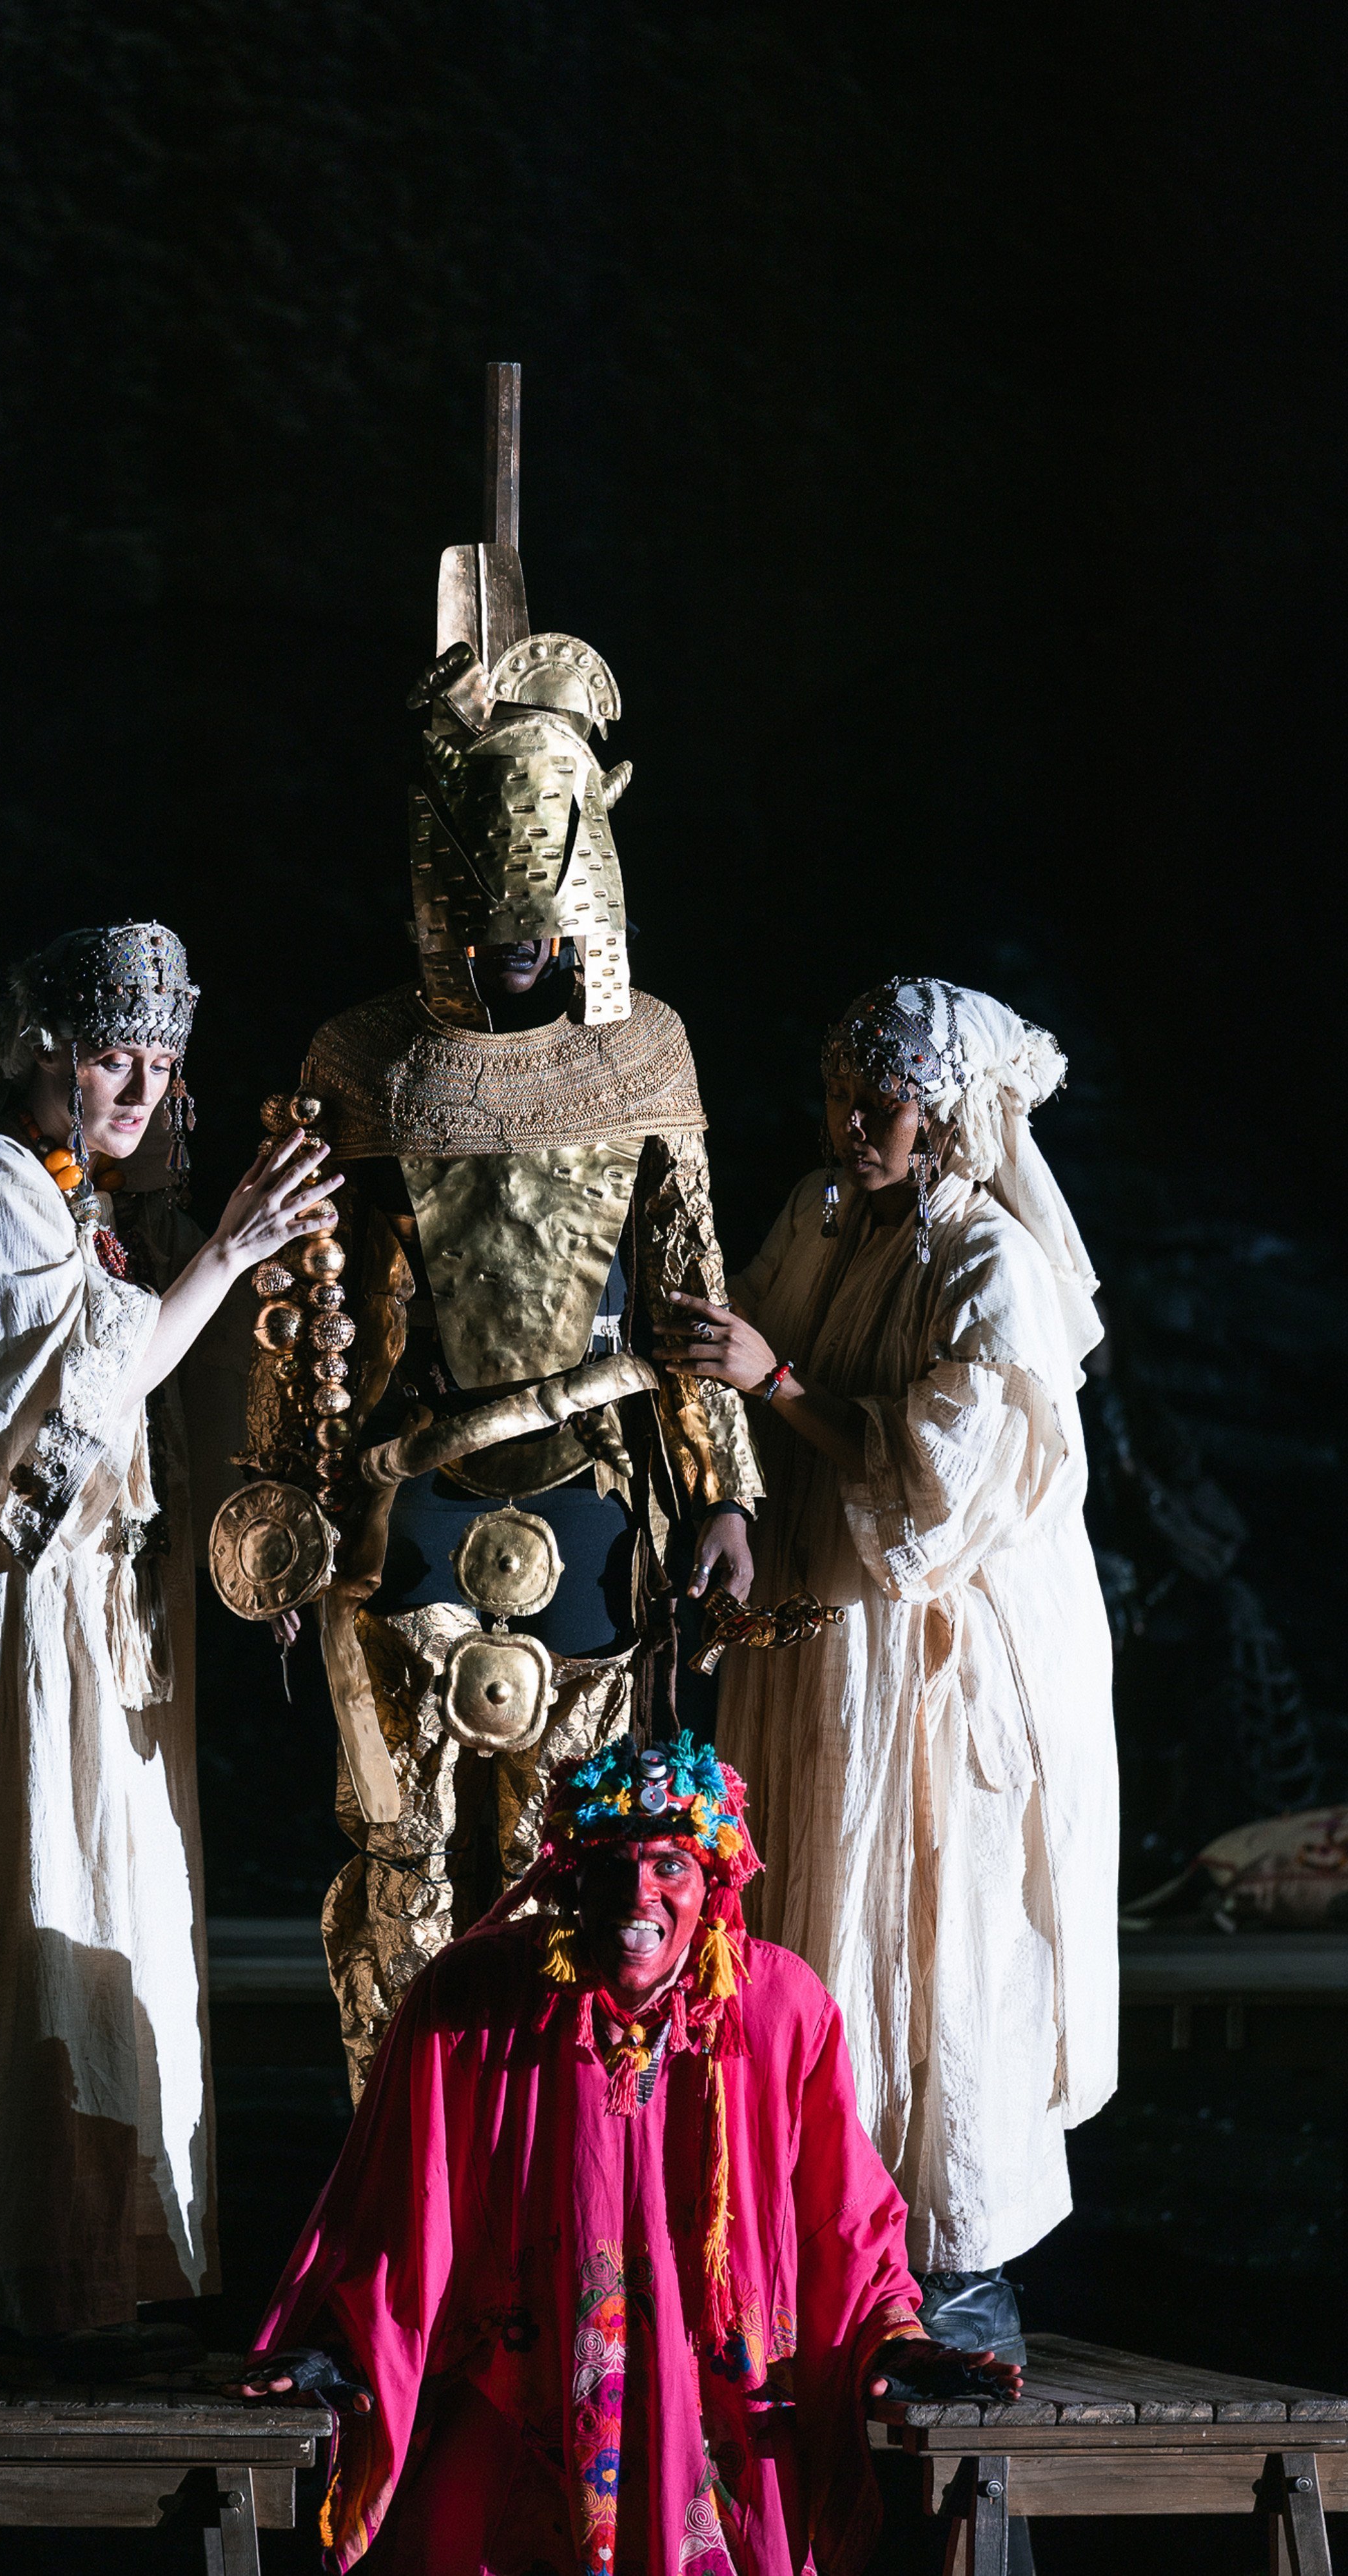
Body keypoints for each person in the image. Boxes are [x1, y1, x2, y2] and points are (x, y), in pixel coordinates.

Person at [233, 532, 761, 2093]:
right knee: (404, 1859)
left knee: (595, 1868)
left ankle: (572, 2189)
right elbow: (309, 1295)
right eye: (484, 929)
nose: (509, 953)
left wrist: (725, 1483)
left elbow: (688, 1286)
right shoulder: (369, 1060)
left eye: (532, 927)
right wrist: (284, 1491)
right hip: (411, 1503)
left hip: (598, 1502)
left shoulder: (646, 1058)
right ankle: (398, 2195)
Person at [0, 921, 338, 2337]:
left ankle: (101, 2277)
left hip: (112, 1633)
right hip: (22, 1631)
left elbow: (171, 1394)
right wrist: (220, 1258)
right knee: (36, 1910)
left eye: (161, 1063)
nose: (138, 1091)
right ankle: (42, 2282)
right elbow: (39, 1435)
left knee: (117, 1913)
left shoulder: (103, 1209)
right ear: (46, 1055)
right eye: (112, 1059)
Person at [237, 1732, 1021, 2574]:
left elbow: (845, 2212)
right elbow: (394, 2200)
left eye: (666, 1867)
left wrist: (892, 2337)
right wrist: (345, 2342)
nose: (635, 1893)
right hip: (518, 2403)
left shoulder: (782, 2008)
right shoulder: (474, 1997)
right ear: (569, 1875)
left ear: (713, 1880)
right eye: (611, 1866)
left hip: (717, 2418)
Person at [660, 975, 1118, 2359]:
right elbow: (726, 1354)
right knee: (805, 1905)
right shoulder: (820, 1216)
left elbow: (937, 1489)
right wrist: (731, 1487)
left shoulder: (995, 1268)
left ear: (951, 1113)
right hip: (814, 1637)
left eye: (887, 1103)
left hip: (927, 1660)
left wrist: (779, 1385)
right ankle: (799, 2237)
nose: (853, 1122)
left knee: (930, 1927)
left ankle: (949, 2257)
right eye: (840, 1094)